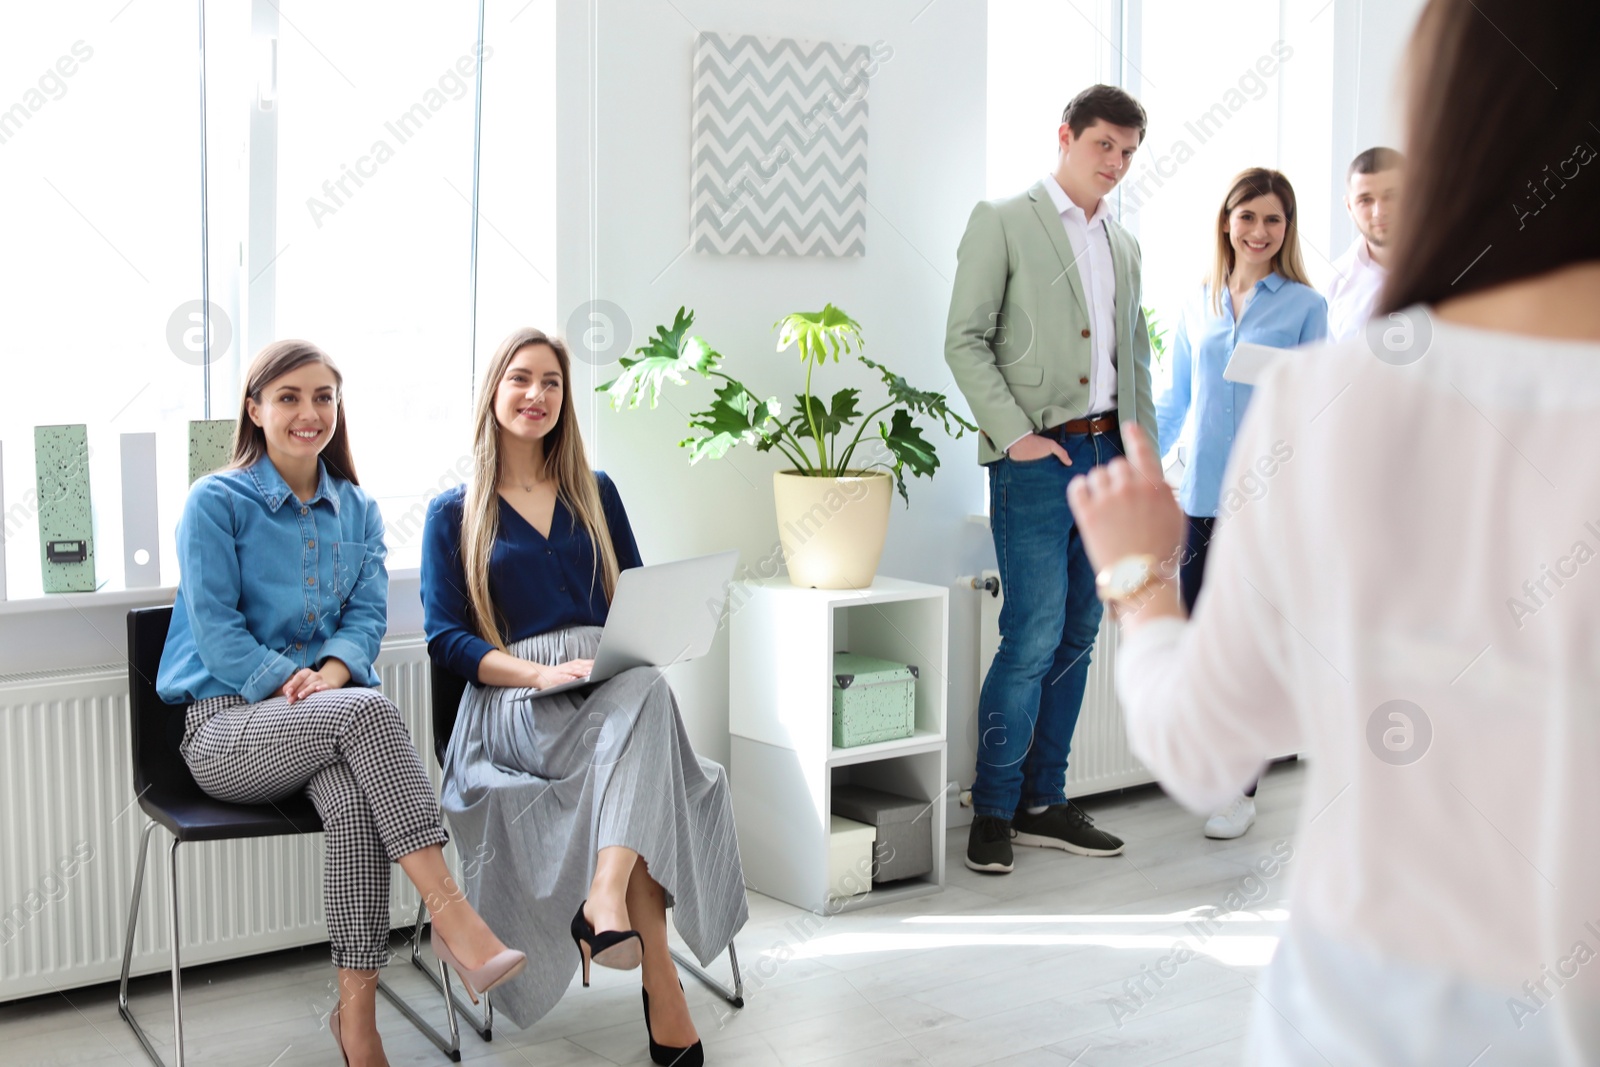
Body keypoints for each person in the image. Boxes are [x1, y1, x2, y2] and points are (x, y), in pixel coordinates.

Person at [1065, 0, 1600, 1060]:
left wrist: (1135, 574)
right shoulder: (1226, 316)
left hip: (1372, 1018)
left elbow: (1205, 742)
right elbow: (1175, 396)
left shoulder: (1334, 388)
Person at [157, 340, 524, 1067]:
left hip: (321, 724)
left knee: (357, 800)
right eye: (289, 396)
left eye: (323, 396)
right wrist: (304, 684)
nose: (309, 412)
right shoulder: (216, 502)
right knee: (366, 709)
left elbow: (364, 619)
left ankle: (357, 1023)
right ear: (255, 409)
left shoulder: (356, 508)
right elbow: (218, 630)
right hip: (226, 731)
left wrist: (328, 674)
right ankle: (453, 919)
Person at [421, 327, 746, 1066]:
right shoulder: (453, 512)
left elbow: (638, 594)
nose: (536, 395)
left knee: (648, 688)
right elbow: (446, 640)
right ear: (494, 392)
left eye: (552, 383)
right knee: (651, 712)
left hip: (605, 687)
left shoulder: (596, 494)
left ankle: (609, 908)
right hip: (512, 703)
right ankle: (659, 984)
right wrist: (537, 674)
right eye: (521, 379)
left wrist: (651, 635)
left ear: (566, 400)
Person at [945, 83, 1157, 874]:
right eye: (1105, 145)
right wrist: (1017, 437)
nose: (1117, 163)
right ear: (1066, 135)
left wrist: (1141, 459)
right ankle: (993, 808)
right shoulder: (1001, 220)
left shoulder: (1125, 245)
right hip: (1039, 461)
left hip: (1109, 457)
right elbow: (964, 340)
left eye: (1129, 153)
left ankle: (1046, 802)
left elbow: (1132, 361)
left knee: (1079, 634)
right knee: (1030, 636)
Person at [1154, 168, 1328, 839]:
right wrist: (1142, 460)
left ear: (1288, 229)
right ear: (1226, 220)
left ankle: (1239, 789)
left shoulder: (1305, 307)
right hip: (1199, 497)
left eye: (1273, 220)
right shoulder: (1198, 299)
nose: (1259, 232)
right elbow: (1175, 399)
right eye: (1247, 216)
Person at [1326, 147, 1404, 340]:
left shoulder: (1454, 268)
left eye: (1391, 196)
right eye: (1366, 200)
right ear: (1349, 207)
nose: (1379, 212)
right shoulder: (1333, 282)